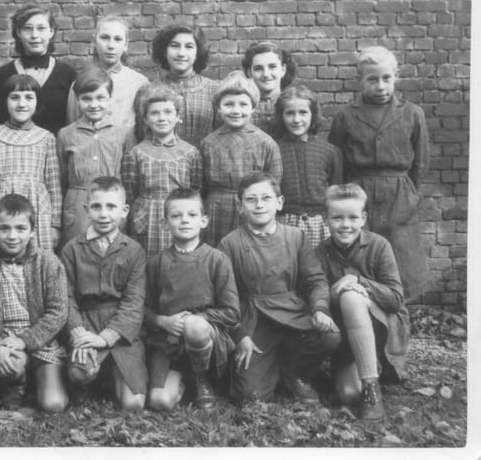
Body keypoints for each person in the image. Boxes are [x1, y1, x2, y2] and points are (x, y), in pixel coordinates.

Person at [217, 172, 340, 405]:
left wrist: (320, 309)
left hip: (292, 314)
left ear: (279, 202)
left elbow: (315, 279)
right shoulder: (230, 243)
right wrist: (239, 334)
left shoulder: (296, 237)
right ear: (240, 206)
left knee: (329, 335)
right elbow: (224, 296)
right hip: (254, 319)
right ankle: (269, 368)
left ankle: (296, 373)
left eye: (266, 198)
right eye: (251, 199)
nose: (259, 205)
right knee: (250, 396)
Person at [328, 46, 431, 303]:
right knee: (360, 248)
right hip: (359, 191)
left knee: (401, 250)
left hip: (399, 192)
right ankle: (361, 306)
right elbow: (336, 160)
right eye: (372, 79)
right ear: (360, 80)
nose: (381, 86)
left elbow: (421, 162)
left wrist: (408, 192)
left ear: (397, 76)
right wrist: (344, 195)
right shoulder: (345, 116)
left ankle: (401, 308)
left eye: (386, 78)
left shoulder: (412, 113)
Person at [315, 184, 409, 420]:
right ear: (326, 220)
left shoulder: (379, 245)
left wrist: (358, 280)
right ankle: (367, 366)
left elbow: (395, 300)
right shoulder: (320, 252)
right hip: (347, 333)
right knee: (348, 393)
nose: (345, 224)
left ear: (364, 218)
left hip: (382, 325)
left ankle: (371, 388)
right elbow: (317, 294)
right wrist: (334, 292)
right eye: (337, 217)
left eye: (353, 217)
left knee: (351, 297)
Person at [0, 194, 69, 412]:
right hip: (4, 340)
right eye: (4, 228)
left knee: (53, 404)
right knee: (12, 365)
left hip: (41, 342)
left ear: (32, 231)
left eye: (21, 228)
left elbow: (58, 312)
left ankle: (38, 381)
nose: (12, 236)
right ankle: (16, 383)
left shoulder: (48, 262)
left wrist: (26, 340)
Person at [145, 188, 242, 411]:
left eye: (192, 215)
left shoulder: (217, 259)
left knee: (194, 327)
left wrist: (194, 320)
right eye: (176, 216)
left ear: (204, 221)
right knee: (160, 401)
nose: (185, 220)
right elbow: (144, 308)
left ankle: (202, 378)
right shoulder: (157, 262)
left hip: (205, 337)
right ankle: (182, 379)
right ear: (165, 223)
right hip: (169, 342)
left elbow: (232, 312)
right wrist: (162, 321)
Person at [60, 177, 147, 412]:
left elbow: (134, 301)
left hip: (121, 332)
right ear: (87, 210)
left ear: (124, 211)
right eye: (97, 206)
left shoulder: (134, 250)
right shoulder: (71, 249)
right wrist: (79, 334)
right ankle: (89, 381)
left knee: (133, 404)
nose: (104, 214)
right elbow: (66, 298)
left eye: (111, 206)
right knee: (80, 373)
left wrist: (106, 338)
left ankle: (111, 376)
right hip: (86, 325)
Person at [0, 74, 62, 251]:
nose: (21, 104)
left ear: (38, 102)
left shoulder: (46, 138)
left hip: (38, 210)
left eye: (29, 97)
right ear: (5, 101)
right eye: (14, 97)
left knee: (37, 258)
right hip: (2, 208)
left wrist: (55, 225)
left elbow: (54, 186)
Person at [200, 71, 282, 246]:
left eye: (243, 104)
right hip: (216, 210)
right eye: (229, 104)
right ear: (218, 107)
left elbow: (274, 183)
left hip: (252, 207)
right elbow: (201, 186)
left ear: (253, 107)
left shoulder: (266, 143)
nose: (236, 111)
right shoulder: (208, 143)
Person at [121, 86, 203, 258]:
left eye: (168, 112)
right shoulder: (136, 153)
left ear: (178, 116)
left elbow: (195, 190)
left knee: (178, 260)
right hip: (146, 218)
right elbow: (130, 192)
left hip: (179, 215)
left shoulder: (191, 153)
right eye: (154, 113)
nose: (162, 118)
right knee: (147, 261)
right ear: (145, 119)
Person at [57, 65, 134, 245]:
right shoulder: (66, 135)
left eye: (100, 98)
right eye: (86, 98)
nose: (94, 105)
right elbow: (62, 179)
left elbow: (129, 178)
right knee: (79, 252)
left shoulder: (123, 133)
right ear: (77, 100)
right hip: (77, 208)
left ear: (110, 98)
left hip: (113, 204)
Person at [0, 4, 77, 135]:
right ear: (18, 32)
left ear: (51, 32)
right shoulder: (2, 75)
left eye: (41, 28)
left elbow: (73, 124)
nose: (34, 35)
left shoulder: (68, 75)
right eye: (28, 29)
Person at [274, 85, 343, 247]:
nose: (297, 119)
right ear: (281, 116)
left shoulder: (330, 151)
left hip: (320, 223)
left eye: (303, 112)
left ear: (313, 115)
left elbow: (337, 191)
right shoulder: (274, 149)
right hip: (285, 222)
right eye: (290, 113)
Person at [134, 23, 219, 149]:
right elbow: (141, 136)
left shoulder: (215, 90)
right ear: (164, 51)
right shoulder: (147, 91)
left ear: (198, 52)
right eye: (174, 46)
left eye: (189, 47)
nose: (181, 53)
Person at [65, 15, 149, 128]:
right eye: (104, 38)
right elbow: (72, 128)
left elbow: (145, 127)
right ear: (94, 42)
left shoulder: (139, 83)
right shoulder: (79, 83)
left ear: (126, 45)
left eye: (118, 39)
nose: (111, 46)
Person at [242, 41, 297, 136]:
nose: (266, 74)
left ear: (283, 70)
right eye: (258, 68)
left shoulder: (295, 104)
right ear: (250, 73)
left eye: (272, 67)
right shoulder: (241, 108)